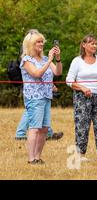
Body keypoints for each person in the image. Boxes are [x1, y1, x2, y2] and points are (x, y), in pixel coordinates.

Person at [66, 34, 97, 163]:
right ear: (84, 45)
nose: (94, 46)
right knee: (82, 125)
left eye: (95, 43)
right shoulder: (77, 61)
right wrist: (82, 87)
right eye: (91, 43)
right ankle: (80, 154)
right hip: (81, 97)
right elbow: (69, 81)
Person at [20, 31, 62, 164]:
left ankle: (37, 157)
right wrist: (49, 59)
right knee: (35, 128)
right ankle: (31, 159)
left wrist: (57, 58)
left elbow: (58, 72)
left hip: (46, 97)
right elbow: (37, 74)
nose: (41, 44)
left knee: (44, 129)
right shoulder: (27, 60)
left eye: (41, 41)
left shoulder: (44, 59)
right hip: (34, 97)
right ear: (30, 44)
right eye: (38, 41)